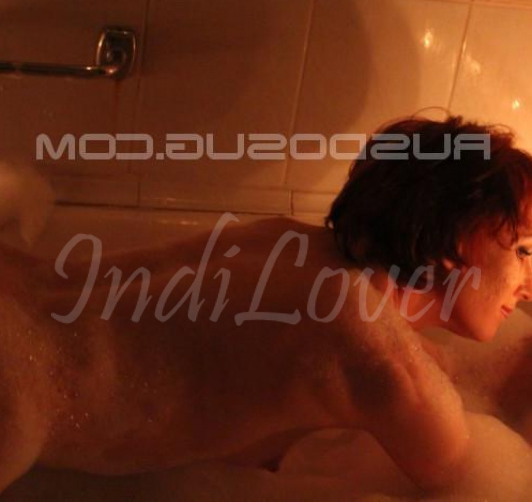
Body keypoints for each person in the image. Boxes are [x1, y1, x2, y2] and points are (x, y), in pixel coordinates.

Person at [1, 114, 532, 497]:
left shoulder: (289, 243)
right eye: (525, 251)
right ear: (455, 242)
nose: (529, 285)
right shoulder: (375, 356)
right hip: (15, 396)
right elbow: (472, 482)